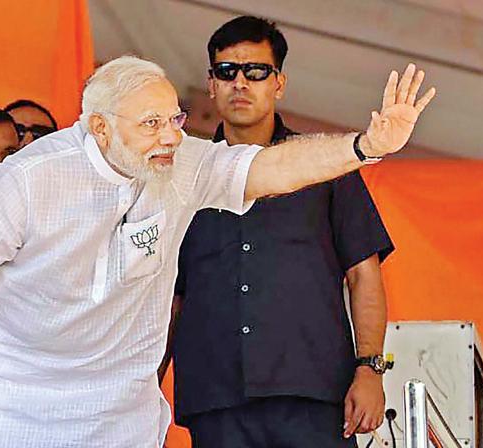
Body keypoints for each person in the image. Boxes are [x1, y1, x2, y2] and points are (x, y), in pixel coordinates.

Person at [0, 55, 435, 448]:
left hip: (119, 417)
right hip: (10, 412)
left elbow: (271, 170)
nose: (170, 136)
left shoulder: (181, 162)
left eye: (175, 118)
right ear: (99, 127)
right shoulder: (28, 179)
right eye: (150, 124)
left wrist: (365, 146)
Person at [162, 16, 395, 448]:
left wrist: (370, 368)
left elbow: (364, 274)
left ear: (279, 83)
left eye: (256, 72)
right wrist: (144, 387)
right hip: (215, 395)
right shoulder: (181, 176)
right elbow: (168, 297)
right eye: (227, 72)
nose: (241, 83)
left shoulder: (327, 165)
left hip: (312, 391)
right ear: (211, 84)